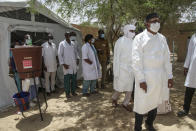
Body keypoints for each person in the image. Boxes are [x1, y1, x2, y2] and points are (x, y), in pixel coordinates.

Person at [132, 13, 173, 131]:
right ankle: (137, 127)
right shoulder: (139, 38)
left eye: (158, 21)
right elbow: (136, 60)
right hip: (145, 77)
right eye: (154, 21)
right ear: (147, 24)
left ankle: (149, 123)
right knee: (141, 104)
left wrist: (169, 76)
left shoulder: (162, 38)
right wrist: (141, 80)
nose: (157, 23)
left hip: (159, 77)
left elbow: (167, 59)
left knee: (155, 103)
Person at [112, 24, 136, 112]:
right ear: (126, 31)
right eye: (131, 31)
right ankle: (114, 99)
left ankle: (125, 103)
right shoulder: (120, 41)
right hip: (121, 68)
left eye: (134, 31)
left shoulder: (134, 41)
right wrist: (116, 71)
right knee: (119, 87)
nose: (133, 33)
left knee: (129, 88)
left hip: (131, 69)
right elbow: (116, 57)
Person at [177, 33, 196, 117]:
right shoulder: (194, 36)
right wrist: (186, 66)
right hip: (194, 66)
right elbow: (190, 52)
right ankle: (185, 109)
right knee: (189, 88)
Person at [58, 32, 78, 98]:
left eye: (68, 35)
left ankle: (73, 91)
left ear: (70, 36)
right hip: (66, 64)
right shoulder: (62, 44)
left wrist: (77, 59)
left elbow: (75, 52)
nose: (67, 36)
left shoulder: (73, 43)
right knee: (67, 80)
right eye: (66, 35)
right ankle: (67, 93)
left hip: (73, 64)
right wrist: (63, 64)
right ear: (65, 36)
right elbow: (59, 54)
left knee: (74, 79)